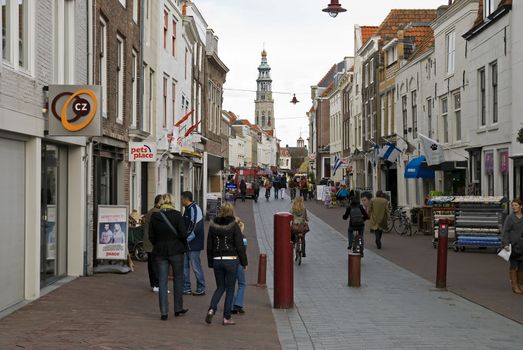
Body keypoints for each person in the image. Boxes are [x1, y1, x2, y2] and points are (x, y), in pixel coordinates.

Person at [205, 203, 248, 325]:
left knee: (220, 287)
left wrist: (210, 262)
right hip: (231, 259)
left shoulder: (213, 226)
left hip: (217, 259)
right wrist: (244, 262)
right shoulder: (234, 225)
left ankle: (211, 309)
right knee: (230, 289)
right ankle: (226, 317)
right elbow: (240, 246)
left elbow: (209, 246)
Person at [149, 193, 189, 320]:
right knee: (178, 279)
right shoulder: (177, 215)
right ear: (172, 202)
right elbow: (183, 234)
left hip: (160, 252)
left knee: (162, 281)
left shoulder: (155, 216)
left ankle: (164, 312)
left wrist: (158, 244)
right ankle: (178, 308)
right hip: (176, 251)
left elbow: (151, 236)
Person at [181, 191, 206, 296]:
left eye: (182, 198)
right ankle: (186, 287)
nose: (181, 201)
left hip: (193, 244)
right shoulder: (187, 209)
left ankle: (201, 287)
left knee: (195, 266)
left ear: (186, 199)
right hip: (187, 243)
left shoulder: (194, 209)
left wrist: (186, 239)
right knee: (184, 266)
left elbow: (196, 227)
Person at [502, 198, 523, 294]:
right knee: (514, 265)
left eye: (516, 205)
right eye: (512, 205)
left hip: (522, 246)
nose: (514, 207)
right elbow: (505, 232)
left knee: (522, 266)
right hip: (513, 246)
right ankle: (515, 286)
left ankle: (520, 285)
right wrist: (505, 244)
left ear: (521, 206)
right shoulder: (510, 218)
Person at [143, 194, 162, 292]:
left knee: (151, 263)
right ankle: (156, 284)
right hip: (152, 243)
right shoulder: (156, 212)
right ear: (159, 202)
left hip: (149, 242)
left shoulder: (151, 211)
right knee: (155, 264)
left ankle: (154, 284)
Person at [231, 216, 247, 315]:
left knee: (231, 284)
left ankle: (231, 305)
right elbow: (243, 251)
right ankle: (238, 303)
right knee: (242, 283)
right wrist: (245, 263)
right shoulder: (243, 237)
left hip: (230, 262)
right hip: (239, 262)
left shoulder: (228, 236)